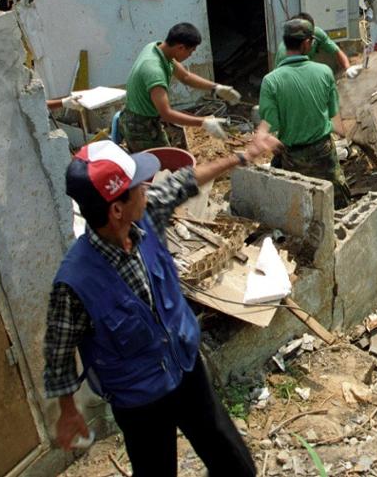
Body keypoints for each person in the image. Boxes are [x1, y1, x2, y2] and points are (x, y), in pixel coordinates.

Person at [43, 128, 282, 476]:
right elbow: (58, 352)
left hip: (186, 368)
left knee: (232, 459)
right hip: (139, 399)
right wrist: (68, 410)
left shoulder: (147, 213)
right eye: (138, 185)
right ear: (116, 210)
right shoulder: (74, 284)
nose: (148, 187)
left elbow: (185, 181)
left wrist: (244, 156)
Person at [260, 18, 351, 208]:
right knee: (339, 204)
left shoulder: (271, 81)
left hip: (292, 156)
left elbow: (270, 126)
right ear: (307, 43)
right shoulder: (324, 72)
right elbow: (334, 115)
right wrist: (345, 134)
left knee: (297, 206)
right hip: (322, 153)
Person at [119, 23, 242, 152]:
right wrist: (204, 122)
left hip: (146, 118)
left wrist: (216, 87)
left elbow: (186, 77)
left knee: (166, 157)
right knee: (158, 164)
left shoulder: (158, 48)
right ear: (180, 47)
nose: (190, 55)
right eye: (191, 51)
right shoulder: (154, 70)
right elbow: (167, 114)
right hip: (139, 126)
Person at [272, 12, 352, 72]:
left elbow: (336, 51)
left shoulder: (317, 34)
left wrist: (348, 69)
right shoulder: (284, 53)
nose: (311, 42)